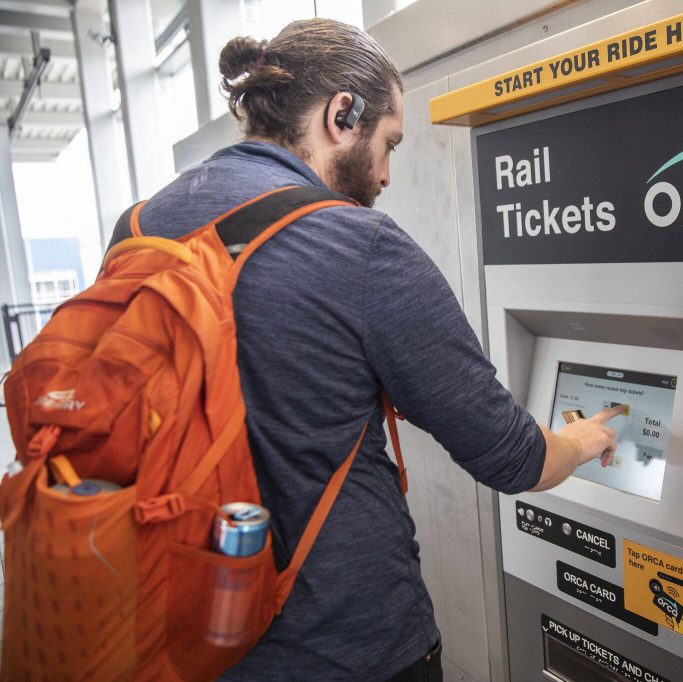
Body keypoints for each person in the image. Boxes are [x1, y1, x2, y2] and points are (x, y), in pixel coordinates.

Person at [118, 19, 623, 681]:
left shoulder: (139, 228)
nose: (385, 174)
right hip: (346, 645)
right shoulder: (358, 246)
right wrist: (583, 442)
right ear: (341, 114)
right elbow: (512, 456)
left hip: (188, 628)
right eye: (388, 143)